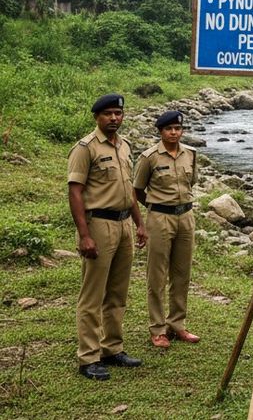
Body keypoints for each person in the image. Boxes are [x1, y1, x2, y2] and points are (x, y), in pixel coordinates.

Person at [68, 93, 147, 381]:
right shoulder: (85, 148)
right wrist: (84, 235)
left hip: (124, 224)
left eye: (118, 113)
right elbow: (75, 192)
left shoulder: (124, 146)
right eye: (108, 114)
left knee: (117, 291)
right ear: (97, 117)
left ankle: (111, 348)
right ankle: (88, 357)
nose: (114, 118)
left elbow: (129, 191)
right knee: (93, 294)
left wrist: (140, 224)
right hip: (99, 225)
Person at [133, 110, 200, 349]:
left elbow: (191, 183)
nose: (174, 133)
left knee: (182, 273)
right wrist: (155, 207)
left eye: (177, 129)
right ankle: (158, 329)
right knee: (157, 275)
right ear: (160, 132)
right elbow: (137, 189)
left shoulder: (190, 154)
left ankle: (177, 324)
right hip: (160, 218)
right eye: (169, 129)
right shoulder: (149, 157)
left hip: (186, 217)